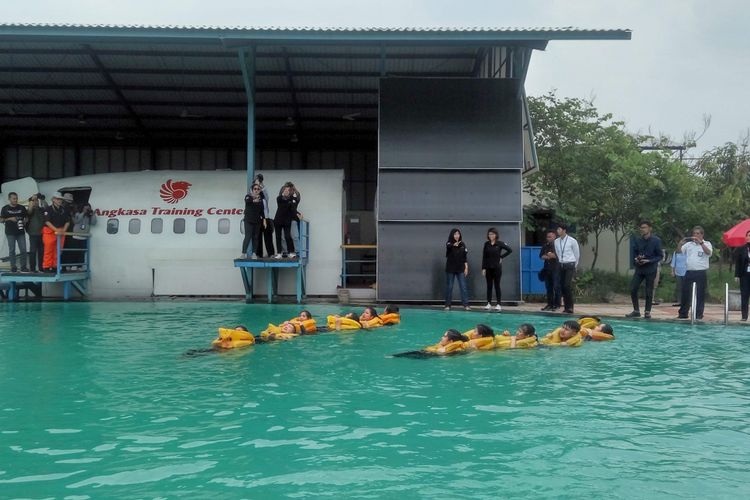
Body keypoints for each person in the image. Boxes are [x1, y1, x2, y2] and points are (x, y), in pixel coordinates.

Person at [626, 221, 663, 319]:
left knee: (648, 290)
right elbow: (634, 253)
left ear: (650, 228)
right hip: (640, 268)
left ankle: (647, 311)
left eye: (645, 227)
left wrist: (649, 260)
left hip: (650, 268)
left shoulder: (656, 240)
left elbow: (660, 256)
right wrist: (636, 259)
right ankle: (636, 310)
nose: (643, 229)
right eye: (641, 228)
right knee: (633, 288)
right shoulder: (638, 240)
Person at [677, 226, 713, 320]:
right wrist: (680, 245)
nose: (695, 235)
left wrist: (701, 243)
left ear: (702, 234)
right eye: (694, 233)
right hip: (689, 272)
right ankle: (683, 313)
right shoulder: (689, 245)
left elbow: (708, 252)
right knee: (685, 293)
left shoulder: (707, 243)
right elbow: (679, 253)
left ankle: (698, 314)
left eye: (698, 233)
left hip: (700, 272)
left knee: (700, 294)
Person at [481, 227, 513, 311]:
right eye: (489, 234)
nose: (491, 235)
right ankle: (488, 303)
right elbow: (484, 256)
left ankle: (498, 304)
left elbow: (510, 250)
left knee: (497, 285)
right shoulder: (486, 244)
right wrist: (483, 268)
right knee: (489, 286)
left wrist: (501, 257)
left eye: (492, 234)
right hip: (488, 268)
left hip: (497, 268)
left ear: (496, 235)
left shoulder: (500, 243)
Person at [42, 192, 71, 272]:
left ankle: (55, 266)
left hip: (60, 232)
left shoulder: (63, 210)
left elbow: (68, 221)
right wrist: (56, 230)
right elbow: (47, 221)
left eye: (61, 199)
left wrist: (64, 230)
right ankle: (47, 267)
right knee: (48, 249)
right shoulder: (48, 209)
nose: (59, 201)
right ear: (53, 200)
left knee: (58, 250)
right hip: (49, 231)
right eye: (58, 199)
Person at [0, 192, 29, 273]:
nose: (15, 200)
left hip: (20, 232)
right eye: (13, 198)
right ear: (9, 199)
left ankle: (23, 267)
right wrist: (9, 219)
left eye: (16, 198)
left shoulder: (22, 207)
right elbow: (1, 220)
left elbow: (26, 217)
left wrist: (24, 221)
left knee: (23, 249)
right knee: (12, 250)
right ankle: (13, 267)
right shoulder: (5, 208)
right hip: (10, 232)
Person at [554, 223, 579, 314]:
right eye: (557, 229)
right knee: (562, 286)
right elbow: (558, 253)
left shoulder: (572, 241)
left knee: (566, 285)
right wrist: (561, 261)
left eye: (559, 229)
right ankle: (566, 307)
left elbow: (576, 254)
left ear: (564, 230)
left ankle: (570, 307)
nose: (557, 231)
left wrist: (575, 265)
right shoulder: (556, 241)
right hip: (561, 264)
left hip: (570, 264)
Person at [273, 183, 302, 259]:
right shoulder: (280, 198)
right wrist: (284, 195)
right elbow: (280, 200)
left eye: (289, 189)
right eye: (286, 189)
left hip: (291, 219)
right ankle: (284, 252)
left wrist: (298, 213)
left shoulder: (294, 197)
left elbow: (293, 207)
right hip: (282, 219)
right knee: (282, 237)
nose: (287, 190)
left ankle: (296, 252)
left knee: (292, 236)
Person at [444, 228, 470, 311]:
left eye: (458, 234)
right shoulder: (449, 243)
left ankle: (466, 305)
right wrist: (453, 245)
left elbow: (464, 257)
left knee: (463, 287)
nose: (457, 235)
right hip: (450, 268)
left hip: (460, 268)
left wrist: (466, 267)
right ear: (452, 235)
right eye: (455, 234)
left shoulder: (463, 244)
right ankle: (447, 305)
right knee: (449, 287)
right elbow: (448, 246)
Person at [68, 202, 97, 270]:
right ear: (82, 208)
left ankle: (80, 266)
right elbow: (77, 221)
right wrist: (83, 213)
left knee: (82, 253)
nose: (87, 210)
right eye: (85, 208)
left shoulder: (89, 216)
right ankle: (72, 266)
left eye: (88, 208)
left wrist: (93, 215)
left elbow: (94, 223)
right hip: (76, 236)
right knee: (74, 252)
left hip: (84, 237)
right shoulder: (78, 214)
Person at [253, 174, 275, 257]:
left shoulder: (264, 197)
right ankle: (259, 254)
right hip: (257, 219)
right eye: (256, 186)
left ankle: (271, 253)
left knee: (268, 237)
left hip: (266, 218)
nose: (257, 188)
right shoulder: (252, 196)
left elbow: (265, 191)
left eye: (259, 186)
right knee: (257, 237)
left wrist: (261, 183)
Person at [241, 183, 265, 259]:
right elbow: (248, 201)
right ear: (252, 190)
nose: (256, 190)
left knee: (255, 237)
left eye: (258, 189)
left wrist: (264, 220)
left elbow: (262, 211)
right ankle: (244, 253)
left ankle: (254, 253)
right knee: (248, 236)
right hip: (248, 220)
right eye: (255, 188)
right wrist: (254, 199)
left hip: (257, 221)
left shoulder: (261, 200)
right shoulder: (248, 196)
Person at [539, 229, 561, 311]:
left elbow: (558, 256)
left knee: (556, 287)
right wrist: (548, 256)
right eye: (547, 237)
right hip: (547, 268)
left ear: (555, 237)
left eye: (550, 237)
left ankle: (557, 304)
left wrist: (552, 255)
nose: (548, 238)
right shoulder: (545, 246)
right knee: (548, 287)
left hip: (556, 269)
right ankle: (550, 304)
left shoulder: (558, 246)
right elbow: (541, 256)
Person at [26, 194, 45, 273]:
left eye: (37, 200)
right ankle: (32, 269)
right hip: (33, 234)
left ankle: (41, 268)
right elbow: (29, 211)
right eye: (34, 201)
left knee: (42, 252)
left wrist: (41, 199)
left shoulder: (41, 209)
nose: (36, 202)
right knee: (33, 252)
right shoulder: (29, 210)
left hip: (42, 234)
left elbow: (46, 206)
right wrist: (32, 200)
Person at [734, 230, 750, 321]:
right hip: (744, 274)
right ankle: (744, 316)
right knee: (744, 295)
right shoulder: (741, 249)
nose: (749, 237)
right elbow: (738, 263)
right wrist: (737, 275)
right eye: (748, 235)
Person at [670, 241, 687, 307]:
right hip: (678, 272)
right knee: (679, 287)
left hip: (686, 272)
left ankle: (687, 301)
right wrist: (672, 271)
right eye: (681, 245)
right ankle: (679, 301)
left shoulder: (688, 252)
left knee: (686, 287)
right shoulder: (676, 253)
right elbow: (673, 263)